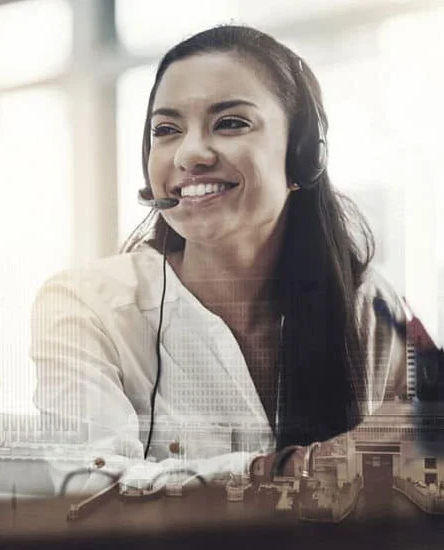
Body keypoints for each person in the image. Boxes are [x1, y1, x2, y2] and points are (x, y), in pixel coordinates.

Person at [30, 25, 409, 494]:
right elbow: (90, 493)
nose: (189, 154)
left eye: (230, 122)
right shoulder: (88, 305)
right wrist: (294, 468)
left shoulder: (370, 303)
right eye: (166, 130)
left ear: (302, 153)